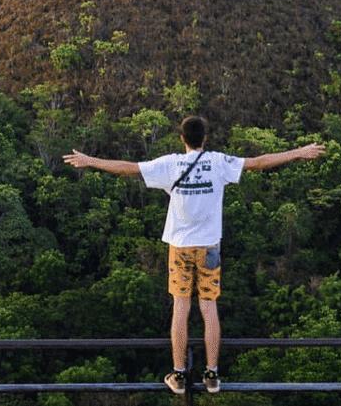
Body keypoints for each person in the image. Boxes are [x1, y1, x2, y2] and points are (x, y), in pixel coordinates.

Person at [63, 115, 326, 395]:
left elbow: (128, 168)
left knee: (181, 308)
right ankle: (212, 374)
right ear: (205, 138)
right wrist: (298, 152)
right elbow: (259, 162)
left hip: (180, 247)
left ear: (182, 139)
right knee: (209, 308)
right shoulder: (218, 162)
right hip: (209, 247)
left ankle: (178, 375)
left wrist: (90, 160)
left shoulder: (170, 164)